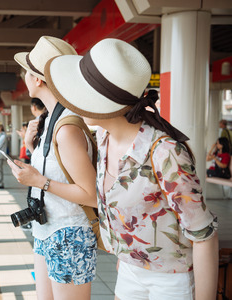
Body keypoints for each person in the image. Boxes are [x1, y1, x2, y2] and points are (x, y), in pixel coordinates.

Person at [44, 38, 218, 300]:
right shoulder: (104, 140)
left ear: (104, 103)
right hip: (128, 271)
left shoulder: (165, 152)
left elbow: (204, 236)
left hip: (172, 280)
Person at [7, 36, 97, 300]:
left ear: (37, 79)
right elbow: (60, 169)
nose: (23, 75)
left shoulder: (67, 127)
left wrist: (39, 182)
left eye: (27, 70)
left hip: (69, 235)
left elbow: (89, 193)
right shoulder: (49, 121)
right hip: (47, 230)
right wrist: (31, 149)